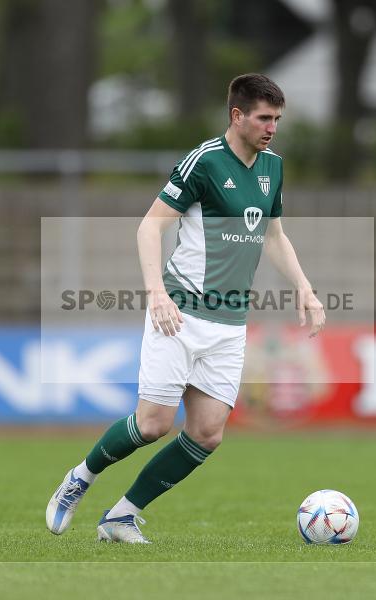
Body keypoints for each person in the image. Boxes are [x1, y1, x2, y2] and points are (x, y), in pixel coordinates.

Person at [46, 73, 325, 543]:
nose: (272, 127)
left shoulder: (272, 168)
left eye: (277, 119)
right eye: (264, 118)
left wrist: (304, 287)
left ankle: (121, 516)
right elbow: (149, 227)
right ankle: (80, 478)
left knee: (207, 433)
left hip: (229, 321)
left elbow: (273, 234)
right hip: (179, 313)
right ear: (237, 116)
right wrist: (156, 293)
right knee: (153, 424)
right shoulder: (204, 163)